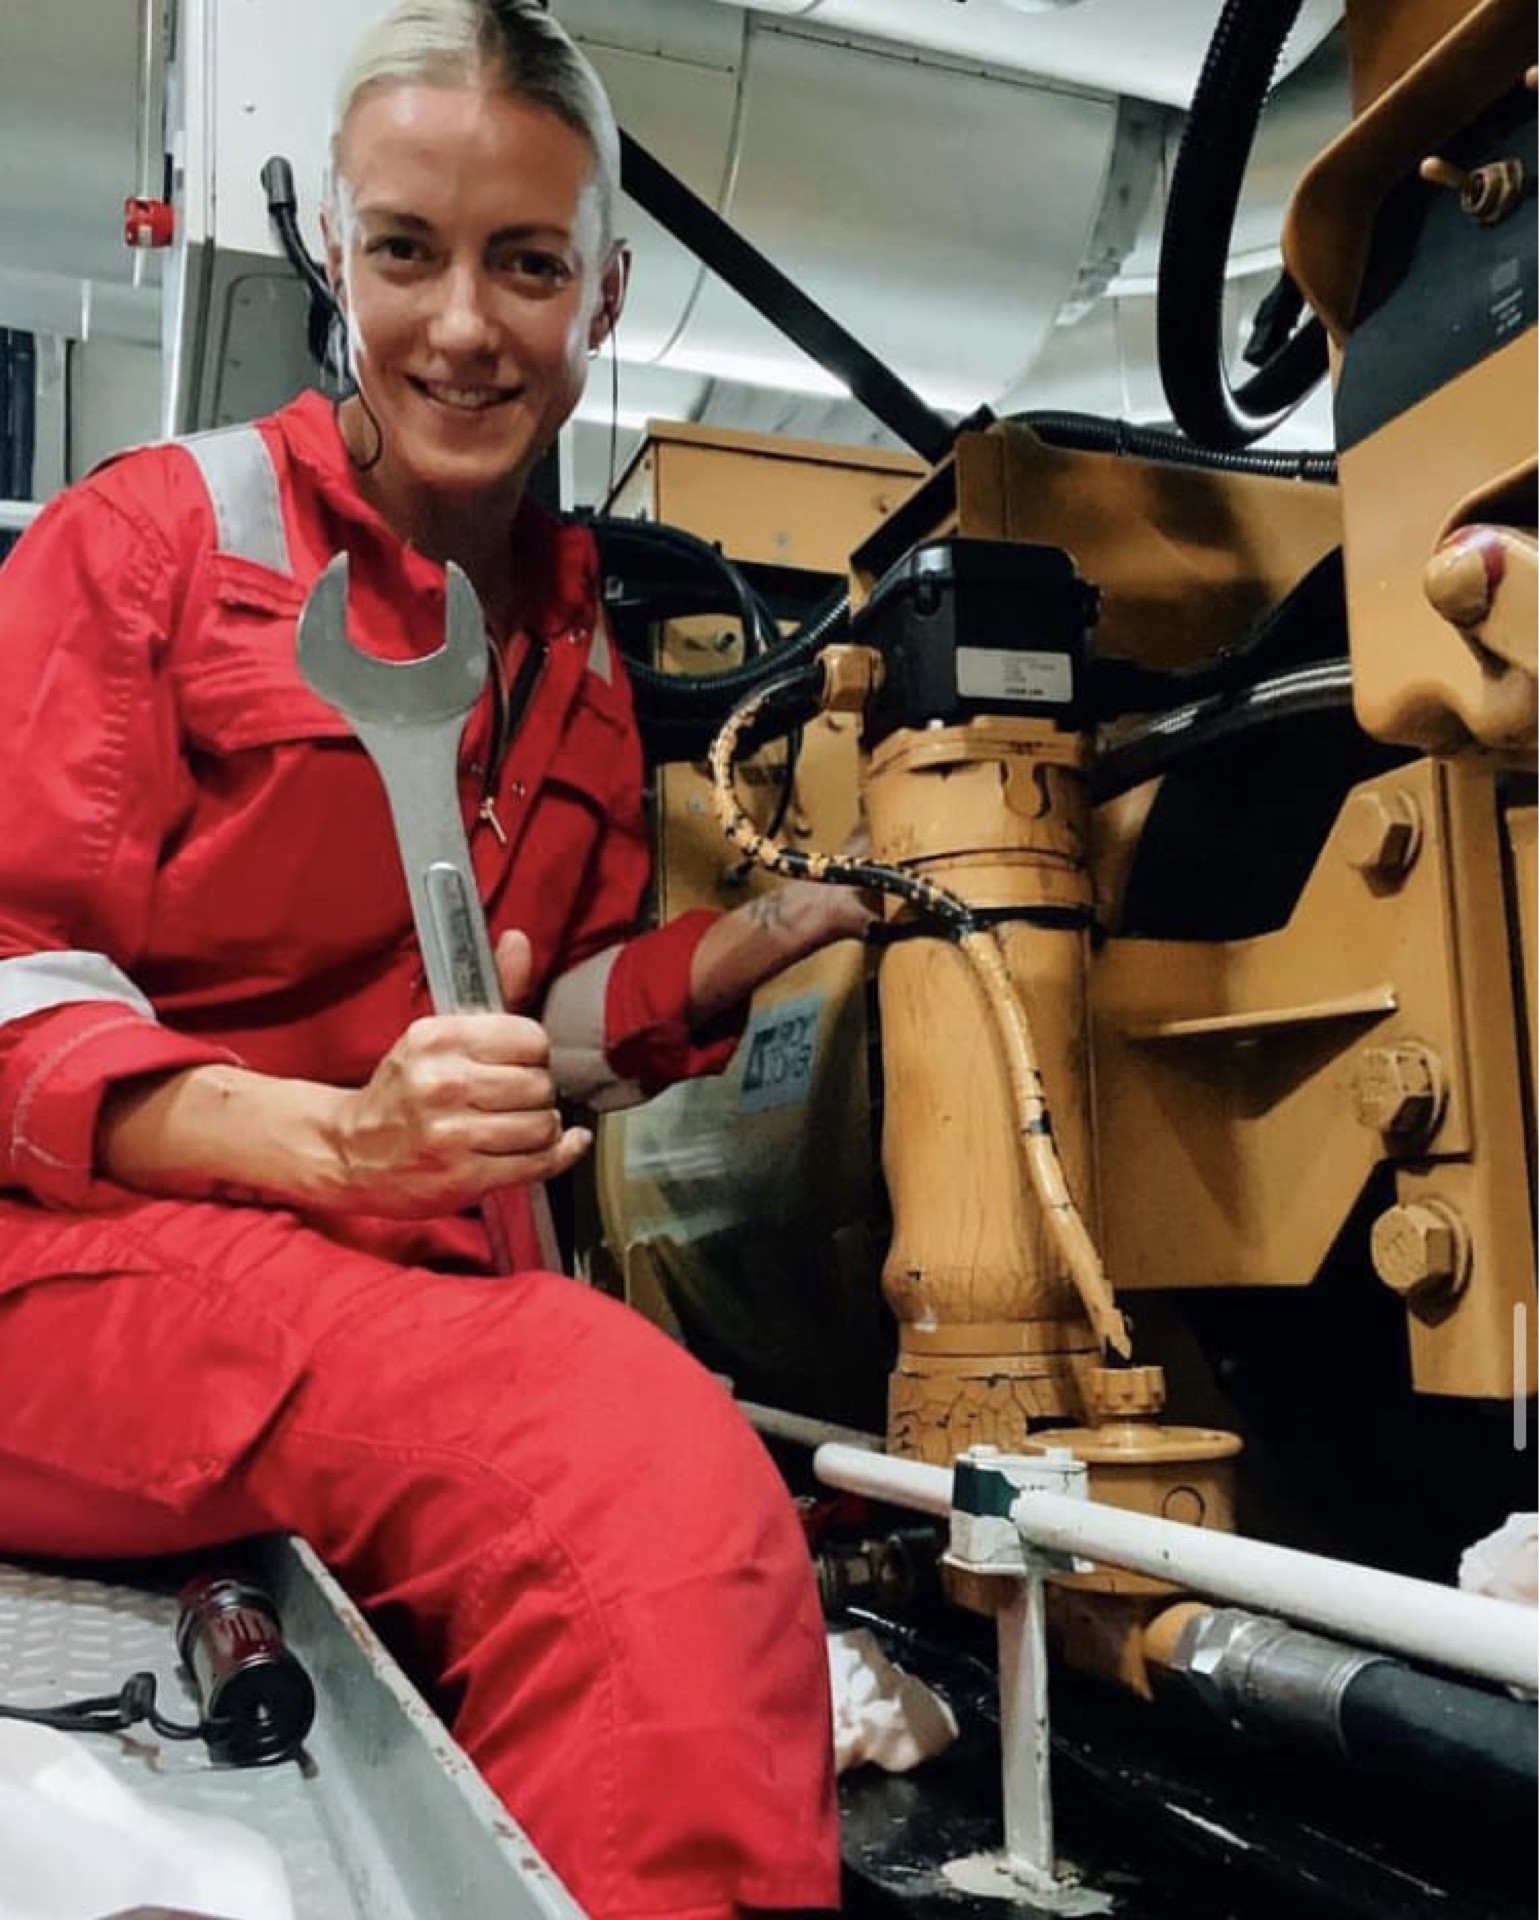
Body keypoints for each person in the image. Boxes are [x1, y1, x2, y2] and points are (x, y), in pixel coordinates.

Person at [0, 2, 868, 1911]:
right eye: (407, 250)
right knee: (621, 1467)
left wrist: (713, 969)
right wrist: (335, 1146)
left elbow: (509, 1027)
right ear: (338, 252)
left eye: (526, 264)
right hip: (67, 1270)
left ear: (603, 293)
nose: (463, 325)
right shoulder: (150, 544)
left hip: (366, 1293)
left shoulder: (575, 651)